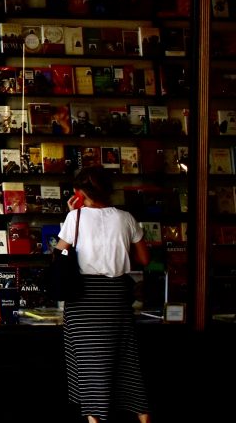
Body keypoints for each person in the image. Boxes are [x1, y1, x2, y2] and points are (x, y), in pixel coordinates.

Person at [56, 166, 151, 423]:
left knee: (89, 366)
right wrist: (117, 254)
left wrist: (72, 215)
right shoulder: (126, 217)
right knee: (127, 362)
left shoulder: (74, 218)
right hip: (117, 296)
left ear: (80, 192)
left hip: (83, 298)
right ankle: (143, 415)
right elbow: (144, 258)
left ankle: (95, 419)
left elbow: (59, 254)